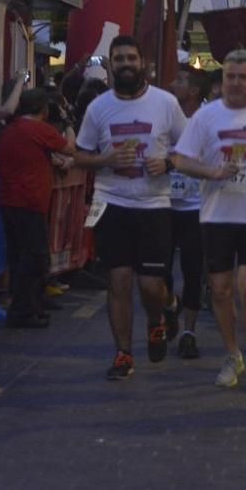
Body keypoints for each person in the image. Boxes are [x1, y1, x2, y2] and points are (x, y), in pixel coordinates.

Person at [174, 50, 246, 391]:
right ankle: (232, 354)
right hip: (216, 215)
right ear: (221, 79)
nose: (236, 83)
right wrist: (211, 171)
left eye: (243, 77)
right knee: (223, 291)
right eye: (230, 77)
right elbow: (180, 159)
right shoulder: (206, 117)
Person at [74, 35, 188, 381]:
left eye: (131, 58)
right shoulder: (98, 108)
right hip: (113, 202)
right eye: (119, 59)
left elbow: (189, 150)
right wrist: (104, 159)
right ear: (111, 65)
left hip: (154, 205)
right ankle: (123, 353)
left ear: (143, 63)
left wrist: (167, 164)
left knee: (151, 286)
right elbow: (79, 154)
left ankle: (162, 314)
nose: (125, 64)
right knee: (119, 281)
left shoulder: (166, 103)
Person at [0, 89, 76, 327]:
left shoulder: (11, 129)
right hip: (30, 200)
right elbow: (69, 148)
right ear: (43, 109)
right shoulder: (38, 129)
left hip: (9, 200)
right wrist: (67, 122)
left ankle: (28, 305)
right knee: (36, 258)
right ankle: (24, 310)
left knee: (19, 256)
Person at [166, 64, 211, 359]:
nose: (173, 82)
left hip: (197, 206)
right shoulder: (164, 112)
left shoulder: (209, 119)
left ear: (194, 91)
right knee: (158, 273)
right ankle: (170, 305)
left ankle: (189, 332)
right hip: (163, 203)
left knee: (193, 272)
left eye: (180, 80)